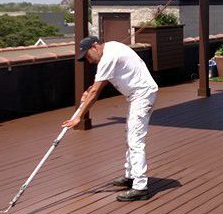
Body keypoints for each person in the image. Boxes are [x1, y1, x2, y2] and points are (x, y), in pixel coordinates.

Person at [63, 36, 159, 201]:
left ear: (95, 47)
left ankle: (140, 187)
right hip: (138, 95)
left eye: (87, 56)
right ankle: (131, 176)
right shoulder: (112, 47)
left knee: (135, 140)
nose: (89, 61)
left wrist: (78, 117)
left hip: (142, 95)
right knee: (130, 136)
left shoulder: (108, 57)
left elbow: (95, 93)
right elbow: (96, 85)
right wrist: (89, 91)